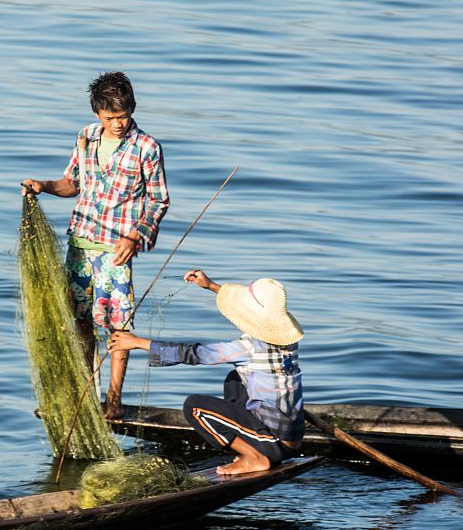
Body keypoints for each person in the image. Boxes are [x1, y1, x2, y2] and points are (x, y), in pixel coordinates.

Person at [22, 71, 170, 419]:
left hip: (115, 249)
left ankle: (114, 400)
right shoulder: (86, 138)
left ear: (131, 110)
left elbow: (159, 201)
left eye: (123, 116)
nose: (117, 124)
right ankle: (86, 393)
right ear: (96, 114)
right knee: (81, 322)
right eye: (110, 118)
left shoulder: (146, 147)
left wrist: (136, 236)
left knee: (118, 326)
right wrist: (43, 185)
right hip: (80, 243)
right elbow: (72, 184)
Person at [108, 270, 304, 475]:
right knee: (235, 379)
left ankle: (254, 457)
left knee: (194, 407)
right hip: (292, 438)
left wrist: (139, 343)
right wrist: (210, 286)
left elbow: (196, 354)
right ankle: (255, 448)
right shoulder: (290, 342)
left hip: (273, 442)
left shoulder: (248, 348)